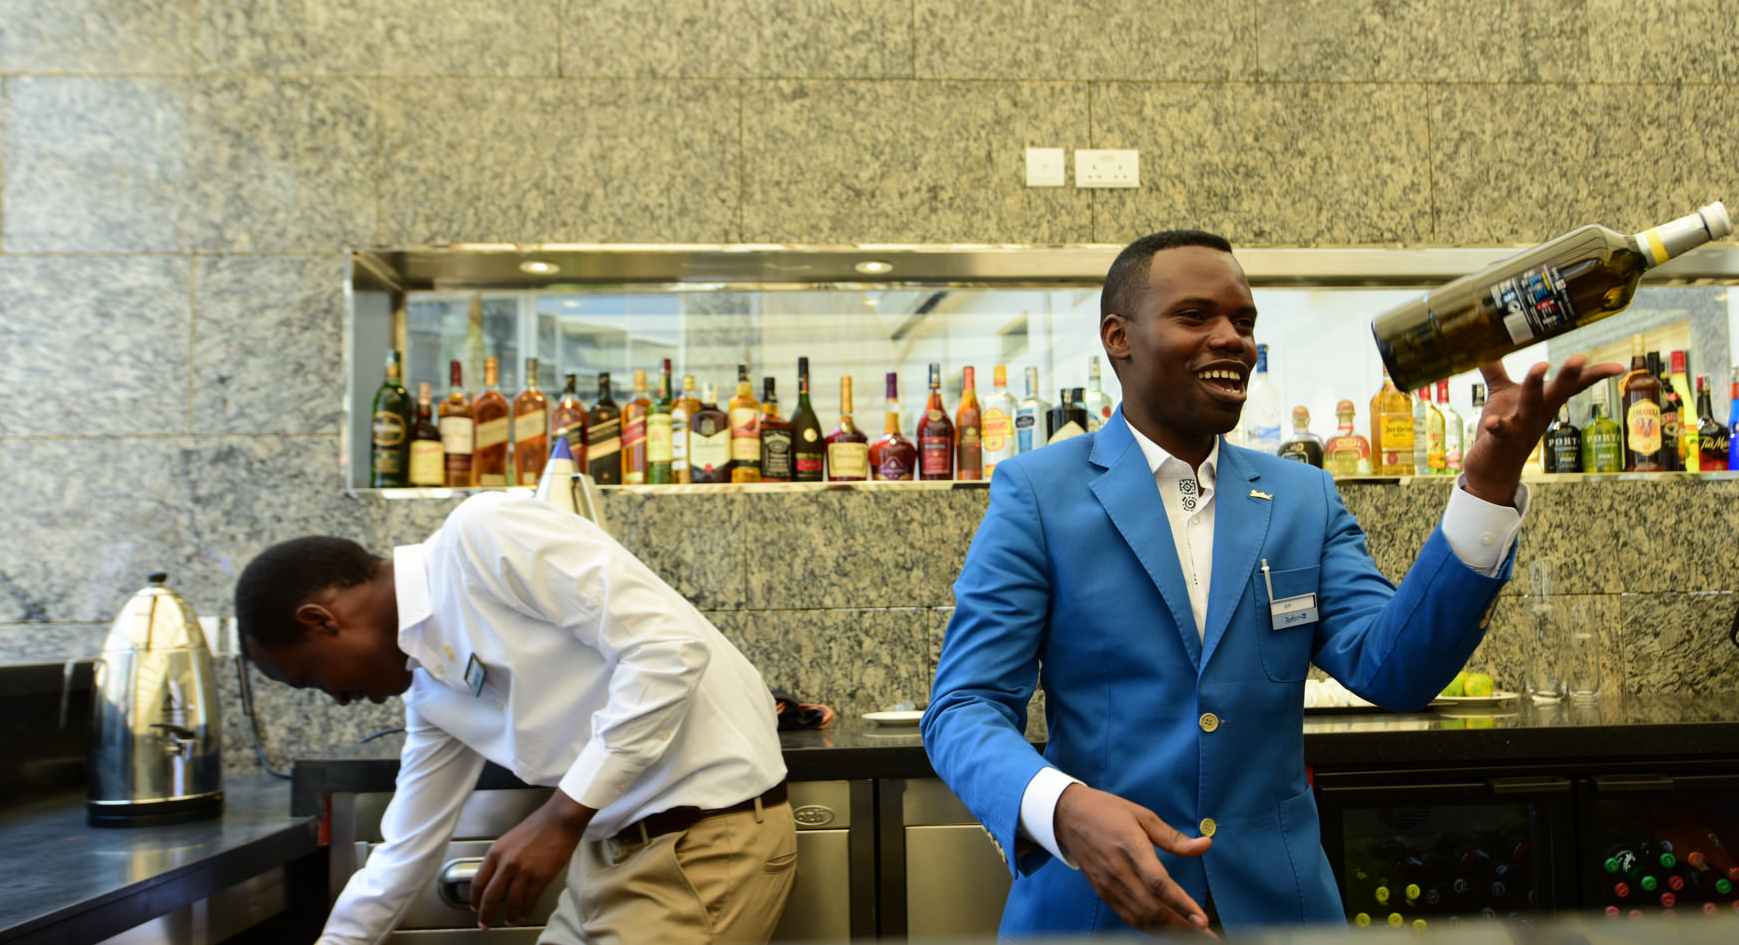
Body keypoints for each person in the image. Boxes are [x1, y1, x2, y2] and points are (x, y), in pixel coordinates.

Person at [921, 229, 1621, 936]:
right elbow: (963, 706)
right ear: (1118, 338)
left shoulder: (1302, 499)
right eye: (1195, 317)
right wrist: (1062, 808)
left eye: (1244, 321)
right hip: (1096, 912)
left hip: (1280, 914)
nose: (1231, 339)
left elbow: (1393, 668)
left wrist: (1490, 482)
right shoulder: (1039, 494)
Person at [236, 492, 795, 943]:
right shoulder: (428, 690)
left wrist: (561, 817)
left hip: (700, 841)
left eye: (310, 678)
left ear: (321, 621)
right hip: (607, 856)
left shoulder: (481, 536)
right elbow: (408, 845)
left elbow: (669, 649)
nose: (336, 698)